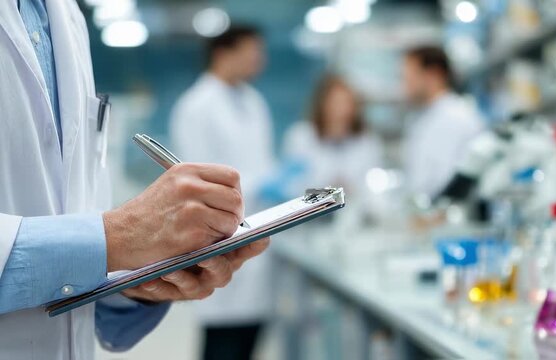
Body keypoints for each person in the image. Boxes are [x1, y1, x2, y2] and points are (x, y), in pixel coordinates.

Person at [0, 1, 268, 359]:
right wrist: (117, 238)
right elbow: (96, 237)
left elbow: (73, 223)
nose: (258, 61)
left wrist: (133, 281)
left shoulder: (69, 17)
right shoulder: (199, 105)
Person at [169, 25, 275, 360]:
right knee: (222, 347)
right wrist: (260, 183)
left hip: (258, 230)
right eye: (251, 51)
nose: (259, 60)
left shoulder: (253, 100)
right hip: (221, 238)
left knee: (248, 342)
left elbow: (261, 160)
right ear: (223, 53)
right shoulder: (196, 106)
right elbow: (200, 182)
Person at [402, 46, 485, 198]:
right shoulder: (422, 118)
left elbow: (450, 182)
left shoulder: (458, 117)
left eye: (409, 77)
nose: (405, 85)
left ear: (433, 74)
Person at [282, 75, 383, 198]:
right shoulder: (301, 137)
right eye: (336, 103)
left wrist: (348, 190)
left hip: (353, 213)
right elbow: (293, 190)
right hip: (313, 215)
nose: (342, 110)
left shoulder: (366, 142)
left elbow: (372, 191)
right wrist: (332, 192)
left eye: (347, 103)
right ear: (323, 105)